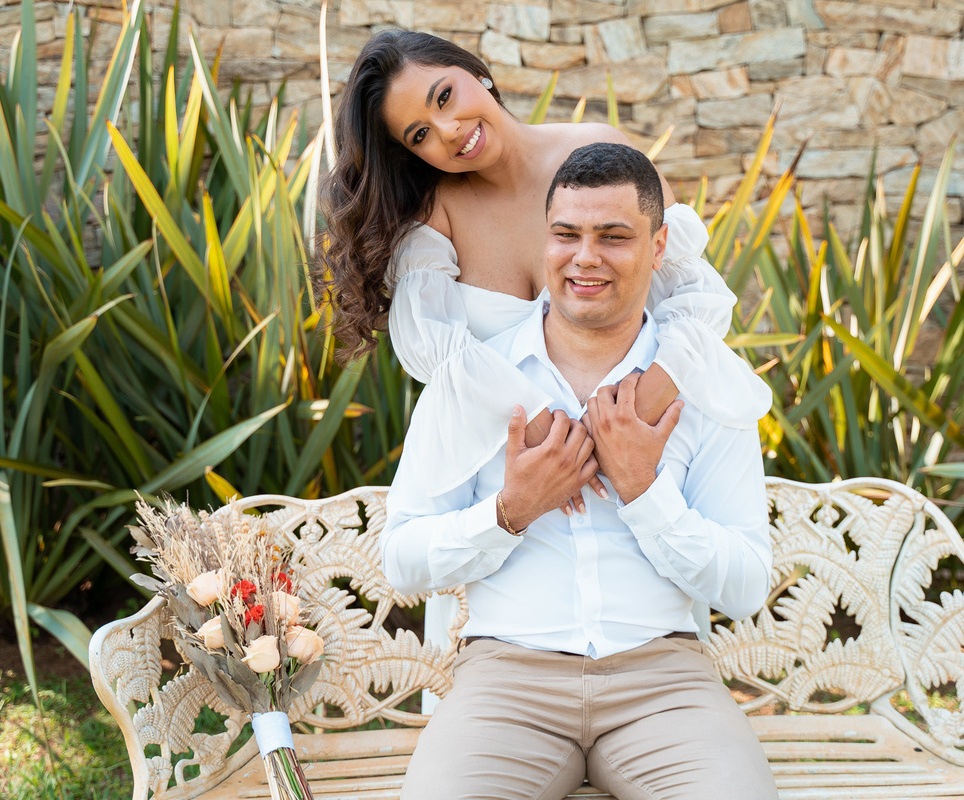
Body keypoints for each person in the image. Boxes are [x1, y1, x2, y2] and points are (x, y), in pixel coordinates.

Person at [381, 142, 779, 800]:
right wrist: (509, 512)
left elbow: (744, 588)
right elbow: (400, 561)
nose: (585, 257)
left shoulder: (702, 385)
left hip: (666, 686)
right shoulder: (472, 380)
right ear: (545, 241)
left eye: (614, 236)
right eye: (566, 234)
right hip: (505, 685)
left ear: (658, 249)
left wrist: (644, 493)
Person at [314, 30, 772, 504]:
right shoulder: (436, 217)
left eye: (445, 96)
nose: (448, 129)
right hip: (522, 479)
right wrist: (546, 440)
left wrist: (632, 421)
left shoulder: (601, 152)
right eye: (420, 134)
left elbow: (693, 297)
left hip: (648, 459)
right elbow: (434, 349)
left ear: (478, 73)